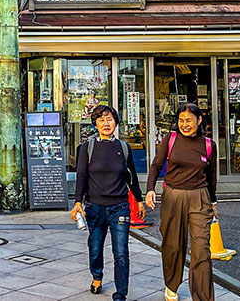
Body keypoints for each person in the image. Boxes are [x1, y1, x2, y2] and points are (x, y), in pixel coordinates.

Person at [145, 103, 218, 301]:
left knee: (201, 249)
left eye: (189, 120)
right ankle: (171, 285)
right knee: (173, 246)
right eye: (181, 120)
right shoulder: (171, 138)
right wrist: (150, 189)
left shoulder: (209, 145)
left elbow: (211, 177)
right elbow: (156, 164)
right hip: (173, 196)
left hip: (199, 198)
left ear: (199, 120)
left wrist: (213, 202)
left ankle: (203, 297)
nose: (184, 125)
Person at [71, 105, 144, 299]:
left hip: (120, 207)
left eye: (110, 119)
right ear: (95, 123)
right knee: (95, 247)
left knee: (121, 252)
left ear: (116, 122)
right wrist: (78, 202)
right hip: (95, 207)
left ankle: (121, 294)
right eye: (102, 120)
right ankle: (97, 276)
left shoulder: (123, 148)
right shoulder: (87, 148)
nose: (106, 123)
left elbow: (132, 177)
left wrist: (139, 200)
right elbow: (81, 177)